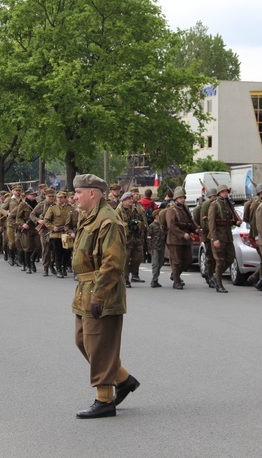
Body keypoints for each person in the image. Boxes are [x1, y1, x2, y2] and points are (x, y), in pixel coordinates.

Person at [71, 173, 139, 419]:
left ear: (93, 193)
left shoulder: (107, 220)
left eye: (79, 192)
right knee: (83, 341)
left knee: (99, 345)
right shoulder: (90, 217)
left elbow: (112, 263)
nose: (75, 196)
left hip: (101, 291)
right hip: (85, 289)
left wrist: (99, 296)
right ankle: (123, 379)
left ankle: (104, 401)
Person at [208, 184, 240, 293]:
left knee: (230, 258)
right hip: (219, 236)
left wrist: (236, 221)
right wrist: (214, 238)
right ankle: (219, 284)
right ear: (218, 193)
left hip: (227, 236)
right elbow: (211, 223)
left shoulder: (227, 204)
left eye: (226, 191)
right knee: (220, 261)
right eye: (223, 192)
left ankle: (217, 276)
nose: (225, 193)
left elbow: (230, 219)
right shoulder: (214, 205)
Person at [165, 187, 197, 290]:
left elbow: (189, 222)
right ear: (175, 199)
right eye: (180, 197)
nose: (183, 199)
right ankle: (176, 281)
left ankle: (175, 275)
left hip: (185, 239)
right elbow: (171, 225)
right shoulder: (171, 210)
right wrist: (182, 234)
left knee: (188, 260)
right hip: (175, 239)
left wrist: (194, 229)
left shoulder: (184, 209)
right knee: (176, 261)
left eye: (183, 197)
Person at [117, 192, 146, 287]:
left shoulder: (134, 209)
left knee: (138, 258)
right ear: (124, 200)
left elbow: (140, 220)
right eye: (129, 199)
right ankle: (125, 279)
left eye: (131, 198)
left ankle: (127, 272)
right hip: (125, 239)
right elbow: (116, 224)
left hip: (135, 237)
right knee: (125, 259)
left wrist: (138, 224)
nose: (131, 200)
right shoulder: (118, 211)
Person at [44, 190, 75, 278]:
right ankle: (58, 270)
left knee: (67, 252)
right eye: (58, 197)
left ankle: (64, 267)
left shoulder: (70, 208)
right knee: (57, 253)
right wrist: (53, 227)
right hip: (56, 234)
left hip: (67, 233)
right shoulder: (52, 208)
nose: (59, 199)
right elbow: (46, 220)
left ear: (66, 198)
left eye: (61, 198)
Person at [244, 183, 262, 289]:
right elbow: (254, 222)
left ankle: (255, 277)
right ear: (261, 192)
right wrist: (257, 237)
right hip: (258, 235)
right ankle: (261, 282)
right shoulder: (255, 205)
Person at [198, 188, 218, 288]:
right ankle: (209, 276)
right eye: (214, 196)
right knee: (210, 257)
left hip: (215, 234)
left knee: (215, 257)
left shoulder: (216, 203)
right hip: (208, 235)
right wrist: (212, 229)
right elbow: (204, 221)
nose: (215, 197)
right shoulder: (207, 204)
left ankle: (210, 274)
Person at [148, 209, 165, 288]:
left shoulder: (162, 226)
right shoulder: (152, 226)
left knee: (160, 263)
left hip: (161, 246)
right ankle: (154, 280)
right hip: (154, 247)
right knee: (155, 264)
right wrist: (149, 248)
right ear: (156, 216)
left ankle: (156, 278)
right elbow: (148, 237)